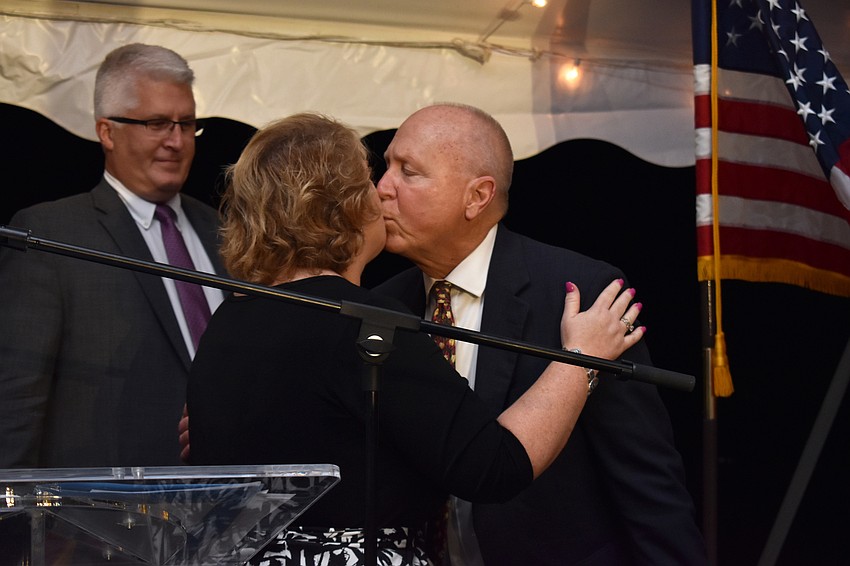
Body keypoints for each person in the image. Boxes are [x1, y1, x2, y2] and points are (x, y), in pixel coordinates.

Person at [186, 113, 644, 565]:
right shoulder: (364, 322)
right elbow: (493, 466)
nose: (384, 190)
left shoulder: (228, 321)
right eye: (370, 180)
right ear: (342, 208)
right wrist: (581, 358)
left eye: (405, 172)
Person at [373, 103, 708, 565]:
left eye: (408, 172)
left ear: (477, 196)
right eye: (386, 166)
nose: (382, 188)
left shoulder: (579, 293)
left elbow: (646, 481)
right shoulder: (383, 305)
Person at [0, 43, 224, 468]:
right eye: (157, 124)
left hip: (228, 492)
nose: (176, 141)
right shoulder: (50, 234)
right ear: (107, 132)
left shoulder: (225, 231)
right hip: (104, 501)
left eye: (187, 124)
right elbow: (16, 399)